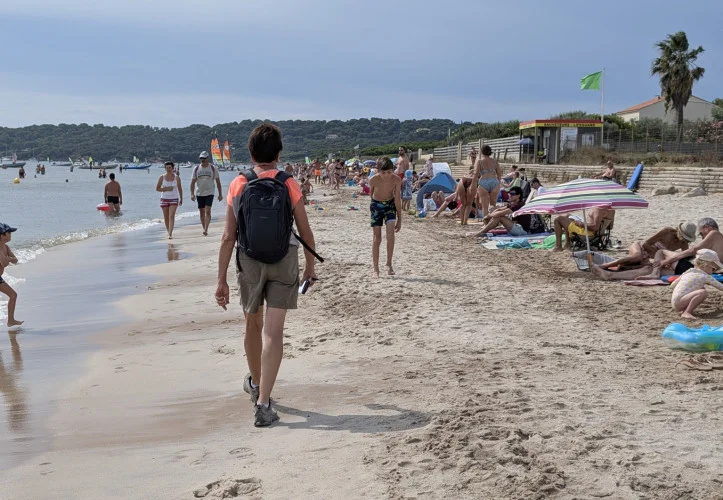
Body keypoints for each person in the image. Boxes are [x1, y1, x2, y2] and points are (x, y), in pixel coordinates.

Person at [216, 123, 317, 427]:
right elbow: (305, 230)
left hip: (249, 260)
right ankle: (263, 403)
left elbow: (228, 236)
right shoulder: (288, 182)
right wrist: (310, 267)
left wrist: (221, 280)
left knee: (252, 323)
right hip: (284, 258)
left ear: (250, 154)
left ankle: (258, 385)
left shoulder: (239, 183)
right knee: (273, 331)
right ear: (279, 153)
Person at [637, 218, 723, 280]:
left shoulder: (714, 233)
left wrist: (666, 261)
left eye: (701, 234)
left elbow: (693, 250)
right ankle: (651, 273)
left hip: (695, 268)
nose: (703, 237)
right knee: (653, 269)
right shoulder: (719, 239)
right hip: (701, 271)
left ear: (707, 228)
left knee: (661, 252)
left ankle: (654, 274)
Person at [597, 222, 696, 271]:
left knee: (652, 266)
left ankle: (619, 268)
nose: (685, 240)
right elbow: (646, 243)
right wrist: (659, 254)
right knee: (637, 257)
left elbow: (685, 256)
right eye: (684, 237)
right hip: (641, 247)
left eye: (687, 239)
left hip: (652, 256)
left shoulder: (683, 243)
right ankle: (606, 265)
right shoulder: (667, 231)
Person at [369, 157, 402, 278]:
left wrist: (400, 219)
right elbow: (371, 194)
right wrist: (374, 207)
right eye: (383, 172)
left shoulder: (397, 180)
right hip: (376, 206)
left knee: (390, 235)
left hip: (390, 205)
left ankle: (389, 264)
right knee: (377, 238)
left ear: (393, 170)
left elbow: (397, 199)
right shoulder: (373, 180)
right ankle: (375, 269)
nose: (387, 175)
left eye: (389, 172)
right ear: (378, 171)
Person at [465, 186, 538, 237]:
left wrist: (487, 216)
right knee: (497, 216)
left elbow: (501, 213)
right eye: (509, 193)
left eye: (512, 194)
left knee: (500, 217)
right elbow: (499, 210)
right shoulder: (513, 204)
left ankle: (480, 233)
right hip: (516, 227)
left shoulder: (519, 205)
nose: (510, 195)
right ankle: (482, 232)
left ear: (518, 195)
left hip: (522, 231)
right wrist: (490, 216)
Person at [670, 249, 723, 319]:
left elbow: (672, 285)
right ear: (705, 265)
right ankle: (687, 312)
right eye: (714, 269)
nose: (714, 272)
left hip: (675, 302)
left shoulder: (688, 272)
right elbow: (721, 287)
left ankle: (684, 310)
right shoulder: (705, 276)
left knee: (699, 289)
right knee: (702, 292)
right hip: (680, 303)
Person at [190, 151, 223, 236]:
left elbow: (218, 182)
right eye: (201, 158)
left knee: (207, 210)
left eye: (204, 158)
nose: (203, 160)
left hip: (210, 192)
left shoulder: (213, 168)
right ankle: (204, 227)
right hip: (199, 193)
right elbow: (192, 182)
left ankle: (206, 229)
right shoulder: (196, 168)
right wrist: (192, 194)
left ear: (208, 158)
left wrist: (220, 194)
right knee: (202, 211)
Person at [0, 223, 23, 328]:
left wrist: (8, 259)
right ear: (2, 235)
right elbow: (5, 263)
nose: (11, 235)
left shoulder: (6, 247)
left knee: (13, 295)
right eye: (9, 232)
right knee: (13, 295)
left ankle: (11, 320)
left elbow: (15, 260)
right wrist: (9, 259)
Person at [156, 161, 183, 239]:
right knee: (166, 217)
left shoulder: (177, 178)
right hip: (164, 199)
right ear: (165, 168)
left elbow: (180, 189)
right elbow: (157, 188)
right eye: (167, 168)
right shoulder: (162, 177)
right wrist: (166, 189)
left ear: (173, 168)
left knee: (171, 216)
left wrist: (181, 198)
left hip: (174, 198)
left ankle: (170, 233)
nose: (168, 169)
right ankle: (168, 232)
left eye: (170, 167)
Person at [475, 145, 502, 218]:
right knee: (493, 205)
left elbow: (476, 174)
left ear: (482, 152)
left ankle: (486, 222)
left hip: (484, 181)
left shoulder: (480, 161)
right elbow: (499, 174)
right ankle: (493, 221)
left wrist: (473, 184)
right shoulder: (494, 161)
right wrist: (498, 183)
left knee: (485, 206)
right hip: (494, 181)